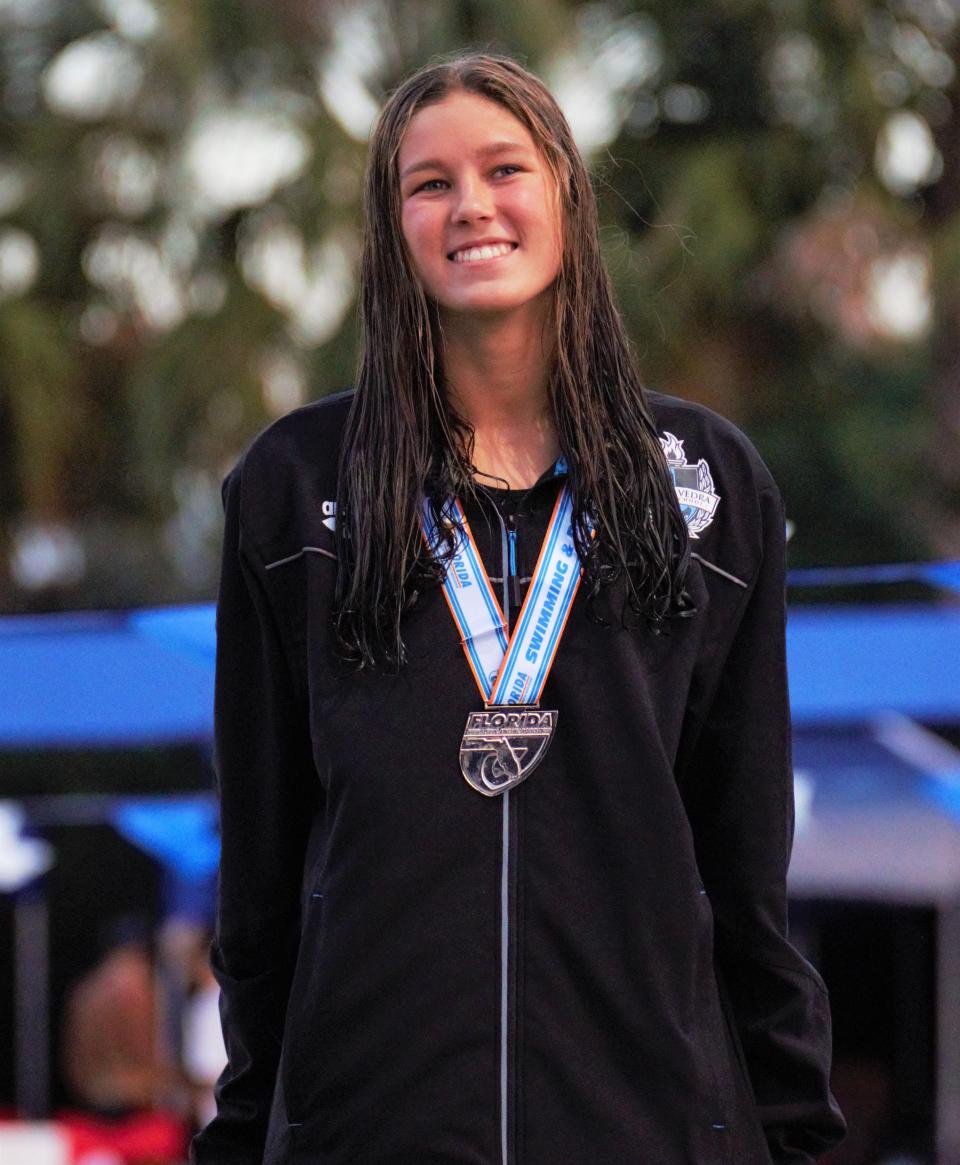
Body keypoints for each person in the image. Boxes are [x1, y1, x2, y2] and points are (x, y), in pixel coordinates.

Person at [192, 53, 846, 1165]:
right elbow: (260, 881)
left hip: (648, 1128)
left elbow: (746, 873)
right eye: (429, 182)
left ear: (566, 198)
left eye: (504, 168)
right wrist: (250, 1127)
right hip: (375, 1130)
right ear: (392, 224)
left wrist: (796, 1133)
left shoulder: (703, 482)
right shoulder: (296, 487)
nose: (471, 207)